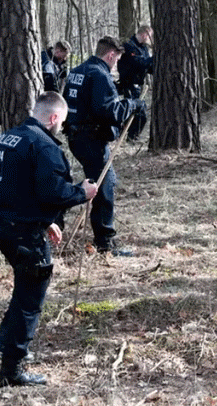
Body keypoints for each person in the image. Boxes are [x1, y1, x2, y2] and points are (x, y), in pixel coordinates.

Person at [0, 93, 97, 386]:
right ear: (53, 118)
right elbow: (52, 192)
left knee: (24, 287)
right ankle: (12, 370)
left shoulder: (6, 139)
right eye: (62, 120)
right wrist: (81, 193)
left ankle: (3, 345)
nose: (62, 126)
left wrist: (45, 219)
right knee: (31, 297)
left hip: (1, 226)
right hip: (24, 232)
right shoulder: (45, 146)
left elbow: (18, 187)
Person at [62, 36, 140, 256]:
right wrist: (131, 104)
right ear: (111, 55)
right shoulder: (99, 75)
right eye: (116, 59)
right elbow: (108, 112)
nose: (116, 64)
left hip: (78, 136)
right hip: (92, 139)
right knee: (105, 186)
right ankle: (105, 242)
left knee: (100, 181)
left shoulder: (78, 71)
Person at [117, 26, 155, 142]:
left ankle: (128, 136)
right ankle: (130, 137)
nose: (150, 39)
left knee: (136, 113)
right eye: (150, 36)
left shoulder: (143, 49)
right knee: (139, 113)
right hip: (128, 85)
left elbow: (148, 67)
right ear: (145, 34)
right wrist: (156, 57)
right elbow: (139, 63)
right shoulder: (129, 46)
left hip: (138, 85)